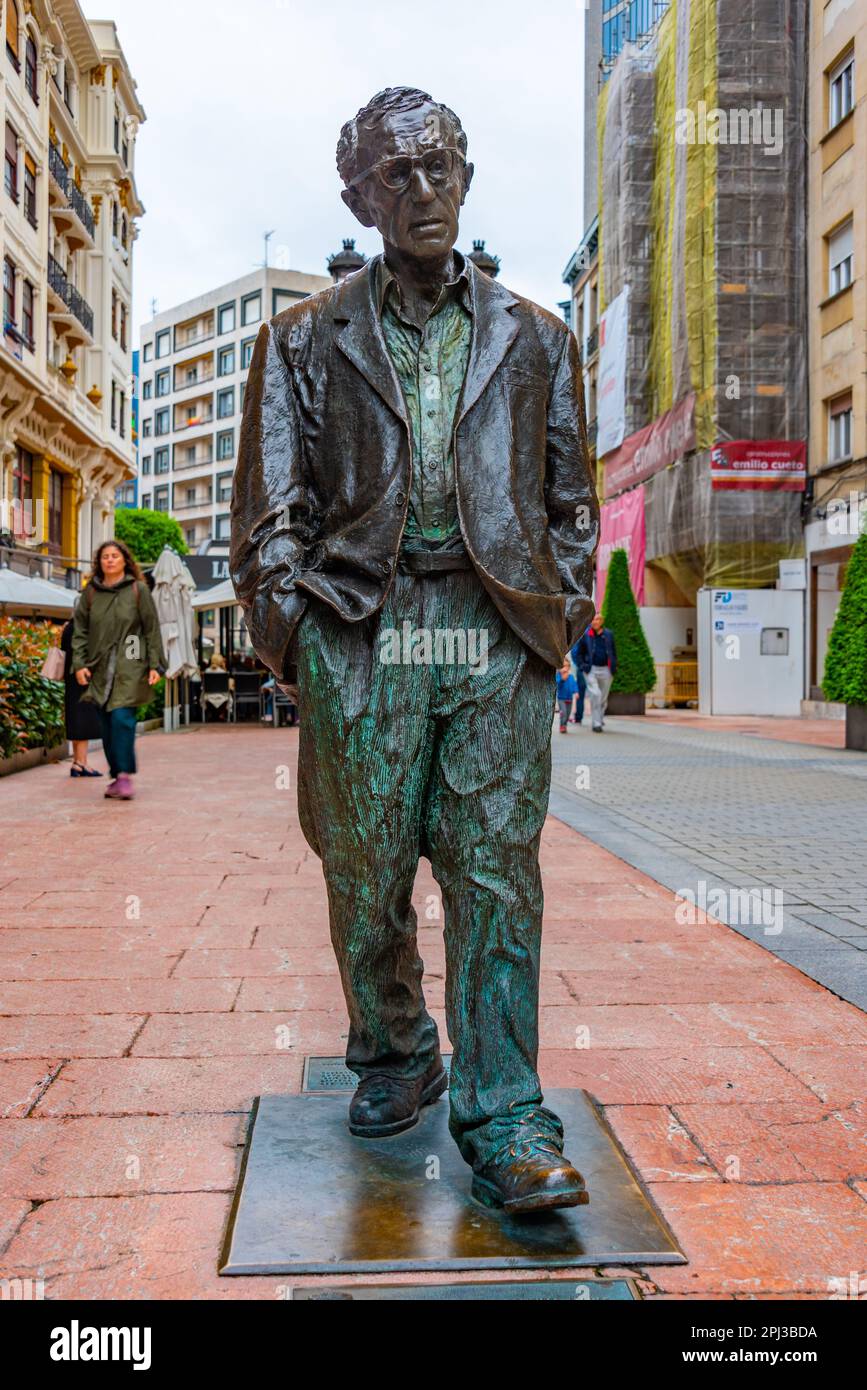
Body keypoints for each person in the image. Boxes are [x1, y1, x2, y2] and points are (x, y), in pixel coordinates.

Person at [231, 87, 599, 1215]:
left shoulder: (539, 336)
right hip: (364, 628)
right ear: (360, 195)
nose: (425, 191)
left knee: (496, 870)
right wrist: (300, 638)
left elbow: (571, 498)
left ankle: (506, 1114)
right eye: (398, 175)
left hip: (493, 631)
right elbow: (267, 515)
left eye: (441, 168)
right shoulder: (300, 337)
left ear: (468, 178)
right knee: (366, 872)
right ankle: (395, 1052)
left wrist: (561, 613)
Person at [71, 540, 165, 800]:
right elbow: (80, 631)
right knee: (107, 725)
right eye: (105, 557)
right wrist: (79, 663)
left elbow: (151, 629)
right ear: (99, 563)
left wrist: (155, 664)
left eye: (115, 556)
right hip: (98, 668)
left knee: (122, 719)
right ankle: (116, 774)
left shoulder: (138, 590)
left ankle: (124, 776)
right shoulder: (90, 593)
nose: (110, 560)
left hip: (130, 664)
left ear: (125, 560)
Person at [59, 619, 103, 776]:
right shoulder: (83, 629)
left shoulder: (68, 628)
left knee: (75, 719)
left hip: (71, 680)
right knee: (84, 719)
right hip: (83, 679)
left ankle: (77, 763)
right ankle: (81, 763)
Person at [575, 611, 617, 732]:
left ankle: (600, 717)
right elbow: (579, 654)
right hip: (591, 669)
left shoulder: (609, 634)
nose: (595, 622)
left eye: (597, 619)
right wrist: (583, 666)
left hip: (606, 670)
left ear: (601, 621)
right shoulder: (586, 635)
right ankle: (596, 723)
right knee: (596, 695)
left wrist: (614, 666)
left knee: (603, 698)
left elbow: (613, 652)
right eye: (593, 620)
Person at [555, 659, 577, 733]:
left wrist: (576, 692)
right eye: (563, 666)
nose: (565, 668)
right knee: (563, 712)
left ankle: (565, 725)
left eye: (567, 666)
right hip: (561, 698)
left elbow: (574, 685)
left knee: (567, 714)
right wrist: (562, 680)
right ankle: (562, 726)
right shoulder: (558, 676)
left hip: (569, 699)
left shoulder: (571, 677)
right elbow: (557, 685)